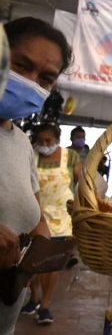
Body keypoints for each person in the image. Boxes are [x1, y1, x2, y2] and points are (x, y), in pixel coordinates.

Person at [0, 17, 72, 335]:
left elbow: (35, 216)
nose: (31, 83)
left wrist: (43, 249)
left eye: (45, 78)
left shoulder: (20, 144)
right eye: (21, 65)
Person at [19, 123, 81, 324]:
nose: (44, 145)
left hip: (61, 218)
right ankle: (34, 297)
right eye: (40, 141)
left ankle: (45, 304)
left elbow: (81, 183)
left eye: (49, 141)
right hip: (34, 215)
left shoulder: (70, 157)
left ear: (57, 141)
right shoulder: (30, 155)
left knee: (52, 264)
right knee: (32, 261)